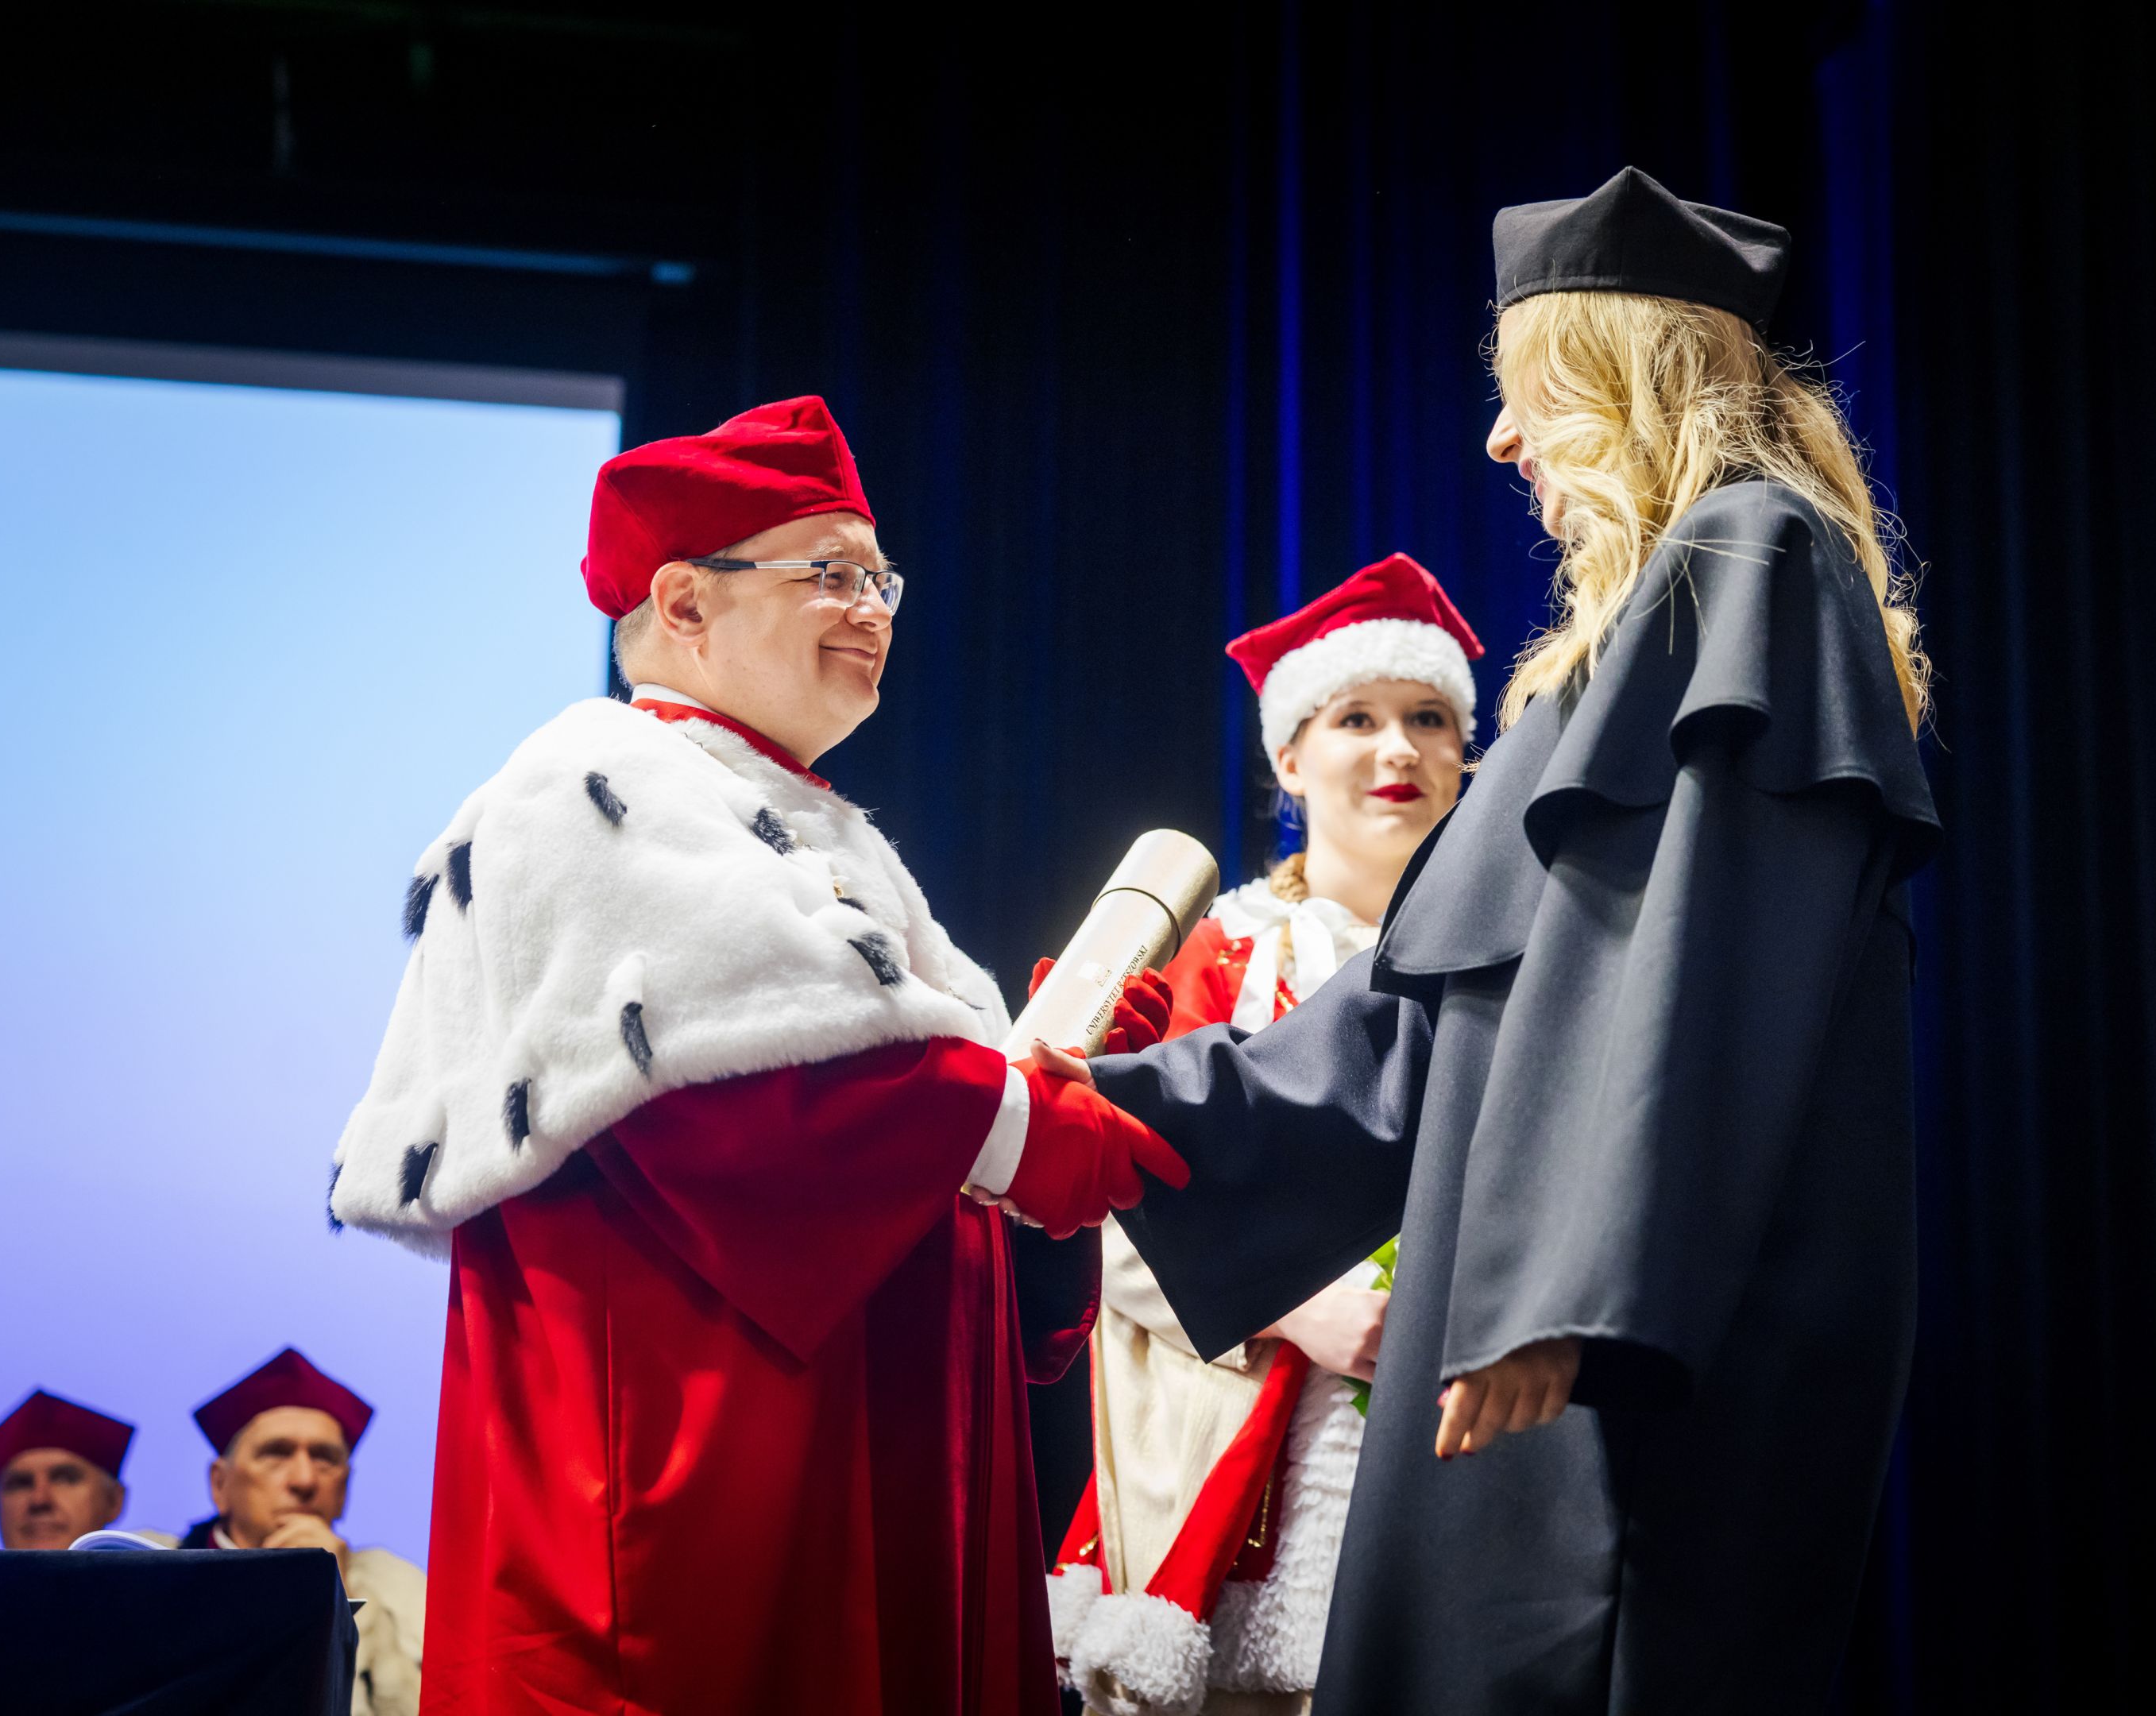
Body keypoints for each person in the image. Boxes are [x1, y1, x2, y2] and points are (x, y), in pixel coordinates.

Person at [1022, 167, 1941, 1713]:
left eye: (1529, 392)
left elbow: (1707, 972)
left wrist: (1566, 1291)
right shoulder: (1634, 633)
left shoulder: (1751, 558)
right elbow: (1410, 1034)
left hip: (1616, 1336)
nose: (1501, 442)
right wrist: (1112, 1117)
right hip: (1529, 1313)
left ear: (1618, 378)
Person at [326, 396, 1182, 1716]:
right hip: (687, 1493)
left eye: (881, 580)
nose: (872, 609)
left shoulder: (795, 819)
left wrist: (1035, 1080)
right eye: (829, 574)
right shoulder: (590, 789)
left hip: (855, 1463)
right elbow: (749, 1101)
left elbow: (892, 1115)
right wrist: (1012, 1123)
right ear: (683, 602)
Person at [1049, 553, 1482, 1714]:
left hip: (1459, 1439)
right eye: (1357, 718)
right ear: (1289, 758)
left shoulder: (1506, 978)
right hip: (1231, 1463)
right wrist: (1298, 1306)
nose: (1398, 750)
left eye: (1427, 719)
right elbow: (1103, 1196)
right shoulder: (1217, 960)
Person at [180, 1348, 426, 1716]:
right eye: (276, 1454)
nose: (305, 1480)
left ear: (344, 1490)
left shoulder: (403, 1589)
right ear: (220, 1484)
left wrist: (342, 1603)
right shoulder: (150, 1567)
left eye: (325, 1458)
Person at [0, 1389, 136, 1549]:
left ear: (113, 1501)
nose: (39, 1500)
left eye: (65, 1479)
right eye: (20, 1484)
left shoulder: (152, 1558)